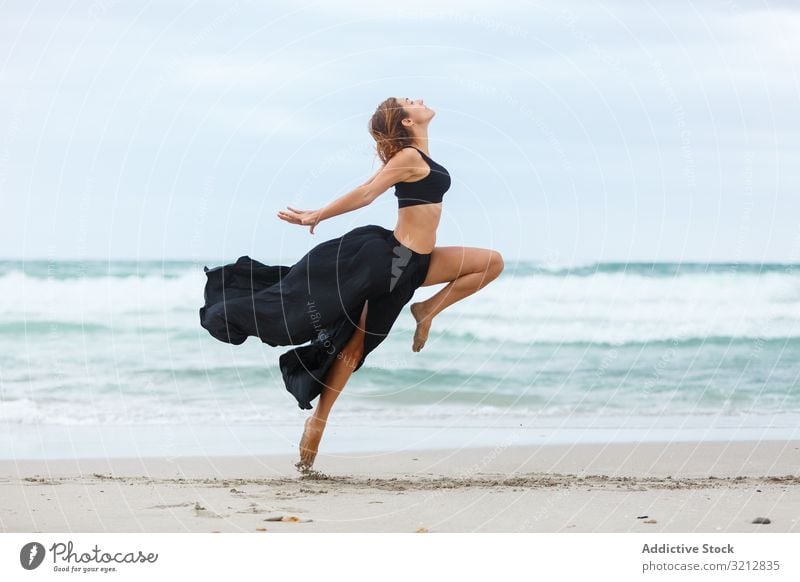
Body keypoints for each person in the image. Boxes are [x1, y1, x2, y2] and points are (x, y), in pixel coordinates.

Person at [199, 96, 504, 471]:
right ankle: (318, 421)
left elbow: (368, 183)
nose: (418, 101)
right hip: (396, 262)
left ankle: (426, 310)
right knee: (354, 347)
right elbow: (366, 192)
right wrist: (318, 214)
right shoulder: (408, 157)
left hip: (418, 260)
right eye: (410, 103)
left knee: (490, 263)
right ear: (407, 123)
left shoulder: (417, 157)